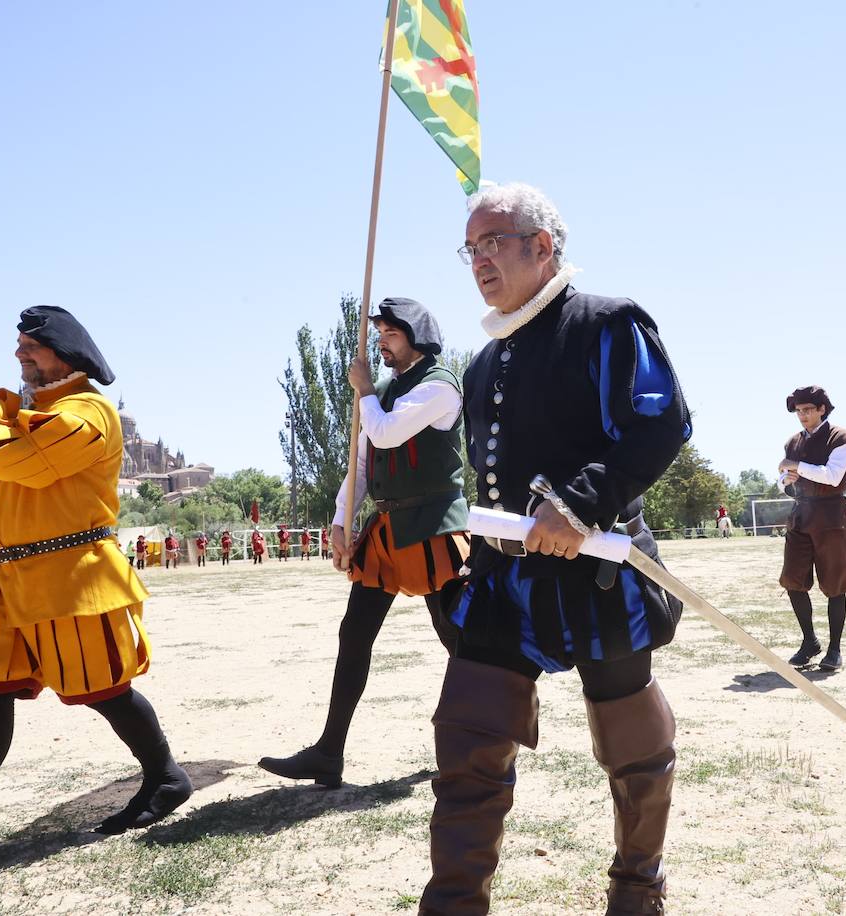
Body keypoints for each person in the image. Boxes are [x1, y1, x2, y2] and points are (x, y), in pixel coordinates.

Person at [417, 182, 690, 915]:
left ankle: (638, 889)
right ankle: (453, 904)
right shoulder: (482, 363)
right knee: (467, 738)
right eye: (469, 247)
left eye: (492, 242)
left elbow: (661, 425)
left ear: (542, 247)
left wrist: (577, 503)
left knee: (631, 743)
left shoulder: (607, 324)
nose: (478, 260)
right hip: (504, 580)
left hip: (599, 572)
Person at [0, 306, 191, 864]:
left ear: (65, 352)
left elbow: (24, 463)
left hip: (72, 579)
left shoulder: (88, 412)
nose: (18, 355)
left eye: (30, 346)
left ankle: (166, 776)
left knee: (102, 690)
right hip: (11, 585)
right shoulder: (23, 416)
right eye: (18, 346)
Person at [260, 298, 469, 788]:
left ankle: (476, 745)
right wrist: (339, 519)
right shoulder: (388, 391)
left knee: (458, 638)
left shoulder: (439, 386)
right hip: (389, 527)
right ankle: (329, 752)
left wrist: (364, 392)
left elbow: (387, 433)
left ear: (416, 337)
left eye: (390, 335)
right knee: (354, 635)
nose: (381, 344)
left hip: (433, 525)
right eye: (379, 336)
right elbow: (362, 460)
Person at [777, 386, 846, 672]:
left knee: (835, 583)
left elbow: (833, 477)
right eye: (799, 411)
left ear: (822, 408)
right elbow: (785, 477)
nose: (802, 415)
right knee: (792, 579)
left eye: (808, 410)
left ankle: (834, 649)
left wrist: (796, 467)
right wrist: (787, 480)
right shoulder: (793, 442)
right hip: (801, 514)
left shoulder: (841, 438)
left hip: (831, 516)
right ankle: (809, 640)